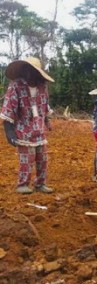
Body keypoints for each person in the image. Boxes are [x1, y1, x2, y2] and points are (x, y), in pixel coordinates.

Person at [1, 57, 55, 194]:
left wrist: (47, 121)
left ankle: (40, 183)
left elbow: (44, 105)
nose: (30, 74)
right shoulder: (16, 86)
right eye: (28, 70)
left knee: (42, 159)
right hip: (23, 130)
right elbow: (8, 109)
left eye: (33, 71)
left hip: (39, 129)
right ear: (24, 71)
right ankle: (22, 184)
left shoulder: (42, 86)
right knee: (27, 159)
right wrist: (10, 133)